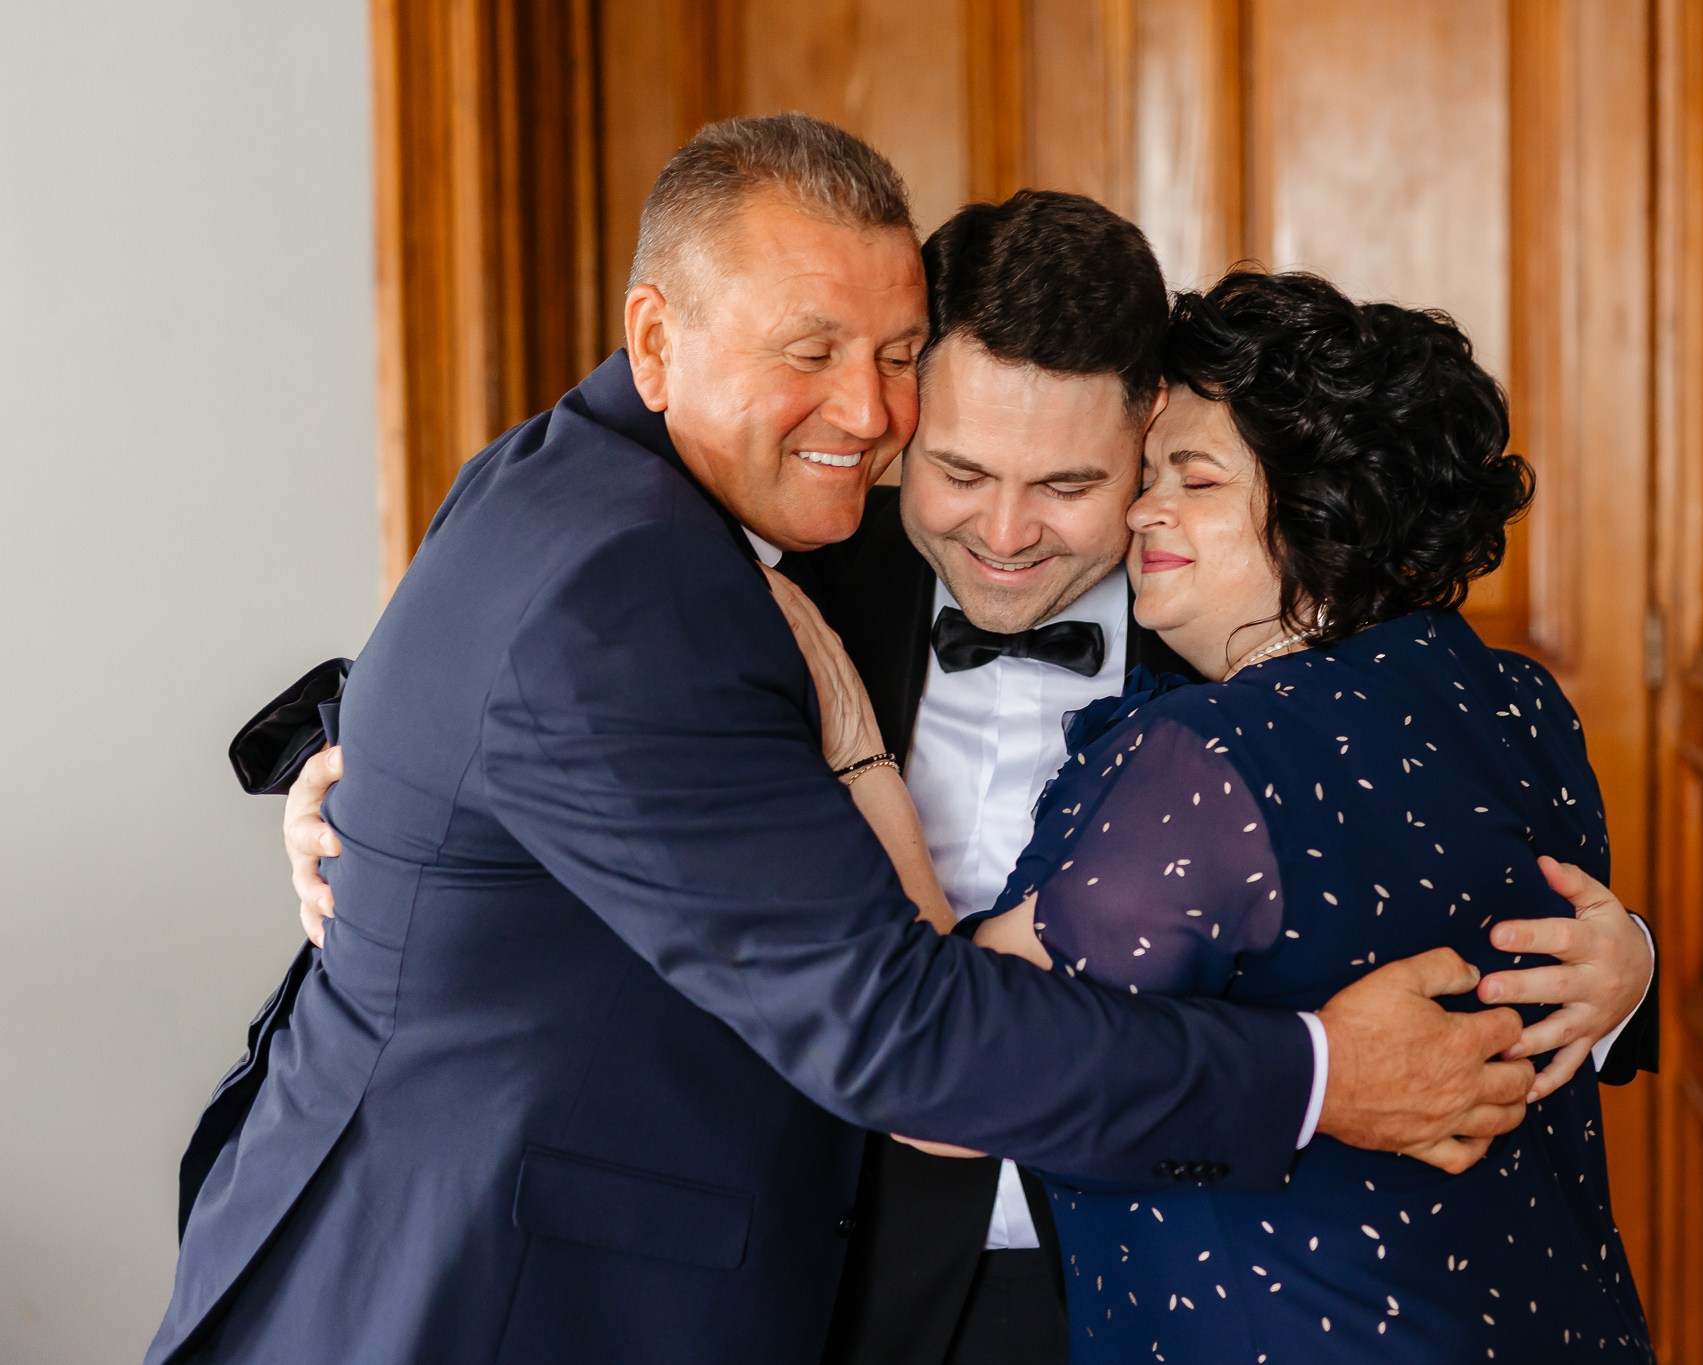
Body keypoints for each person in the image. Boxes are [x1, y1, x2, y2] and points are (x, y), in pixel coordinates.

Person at [149, 117, 1543, 1365]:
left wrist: (1623, 970)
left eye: (1070, 484)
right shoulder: (785, 571)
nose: (1004, 534)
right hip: (836, 1284)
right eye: (958, 470)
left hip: (1168, 1277)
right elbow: (570, 682)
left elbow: (1434, 831)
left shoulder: (1242, 613)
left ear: (1150, 440)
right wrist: (360, 776)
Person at [780, 271, 1656, 1361]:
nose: (1141, 510)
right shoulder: (1519, 699)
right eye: (1147, 475)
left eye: (1191, 480)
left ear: (1328, 515)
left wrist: (860, 758)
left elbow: (947, 1068)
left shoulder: (1204, 757)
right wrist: (1632, 959)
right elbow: (1542, 948)